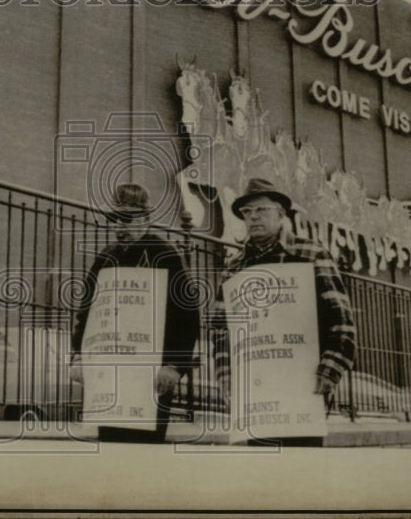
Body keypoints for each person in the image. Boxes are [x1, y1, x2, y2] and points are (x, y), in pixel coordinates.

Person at [211, 177, 356, 446]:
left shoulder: (310, 254)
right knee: (262, 471)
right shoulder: (233, 267)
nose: (253, 217)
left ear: (281, 214)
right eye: (247, 212)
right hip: (256, 388)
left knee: (302, 471)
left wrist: (330, 369)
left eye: (261, 210)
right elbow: (221, 330)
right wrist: (226, 377)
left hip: (302, 383)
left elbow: (342, 320)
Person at [70, 184, 200, 443]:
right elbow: (87, 313)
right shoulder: (105, 258)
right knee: (109, 449)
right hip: (109, 376)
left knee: (144, 452)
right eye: (116, 219)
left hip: (151, 377)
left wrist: (175, 366)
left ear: (146, 219)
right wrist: (78, 356)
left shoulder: (165, 256)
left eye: (128, 219)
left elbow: (187, 315)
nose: (121, 226)